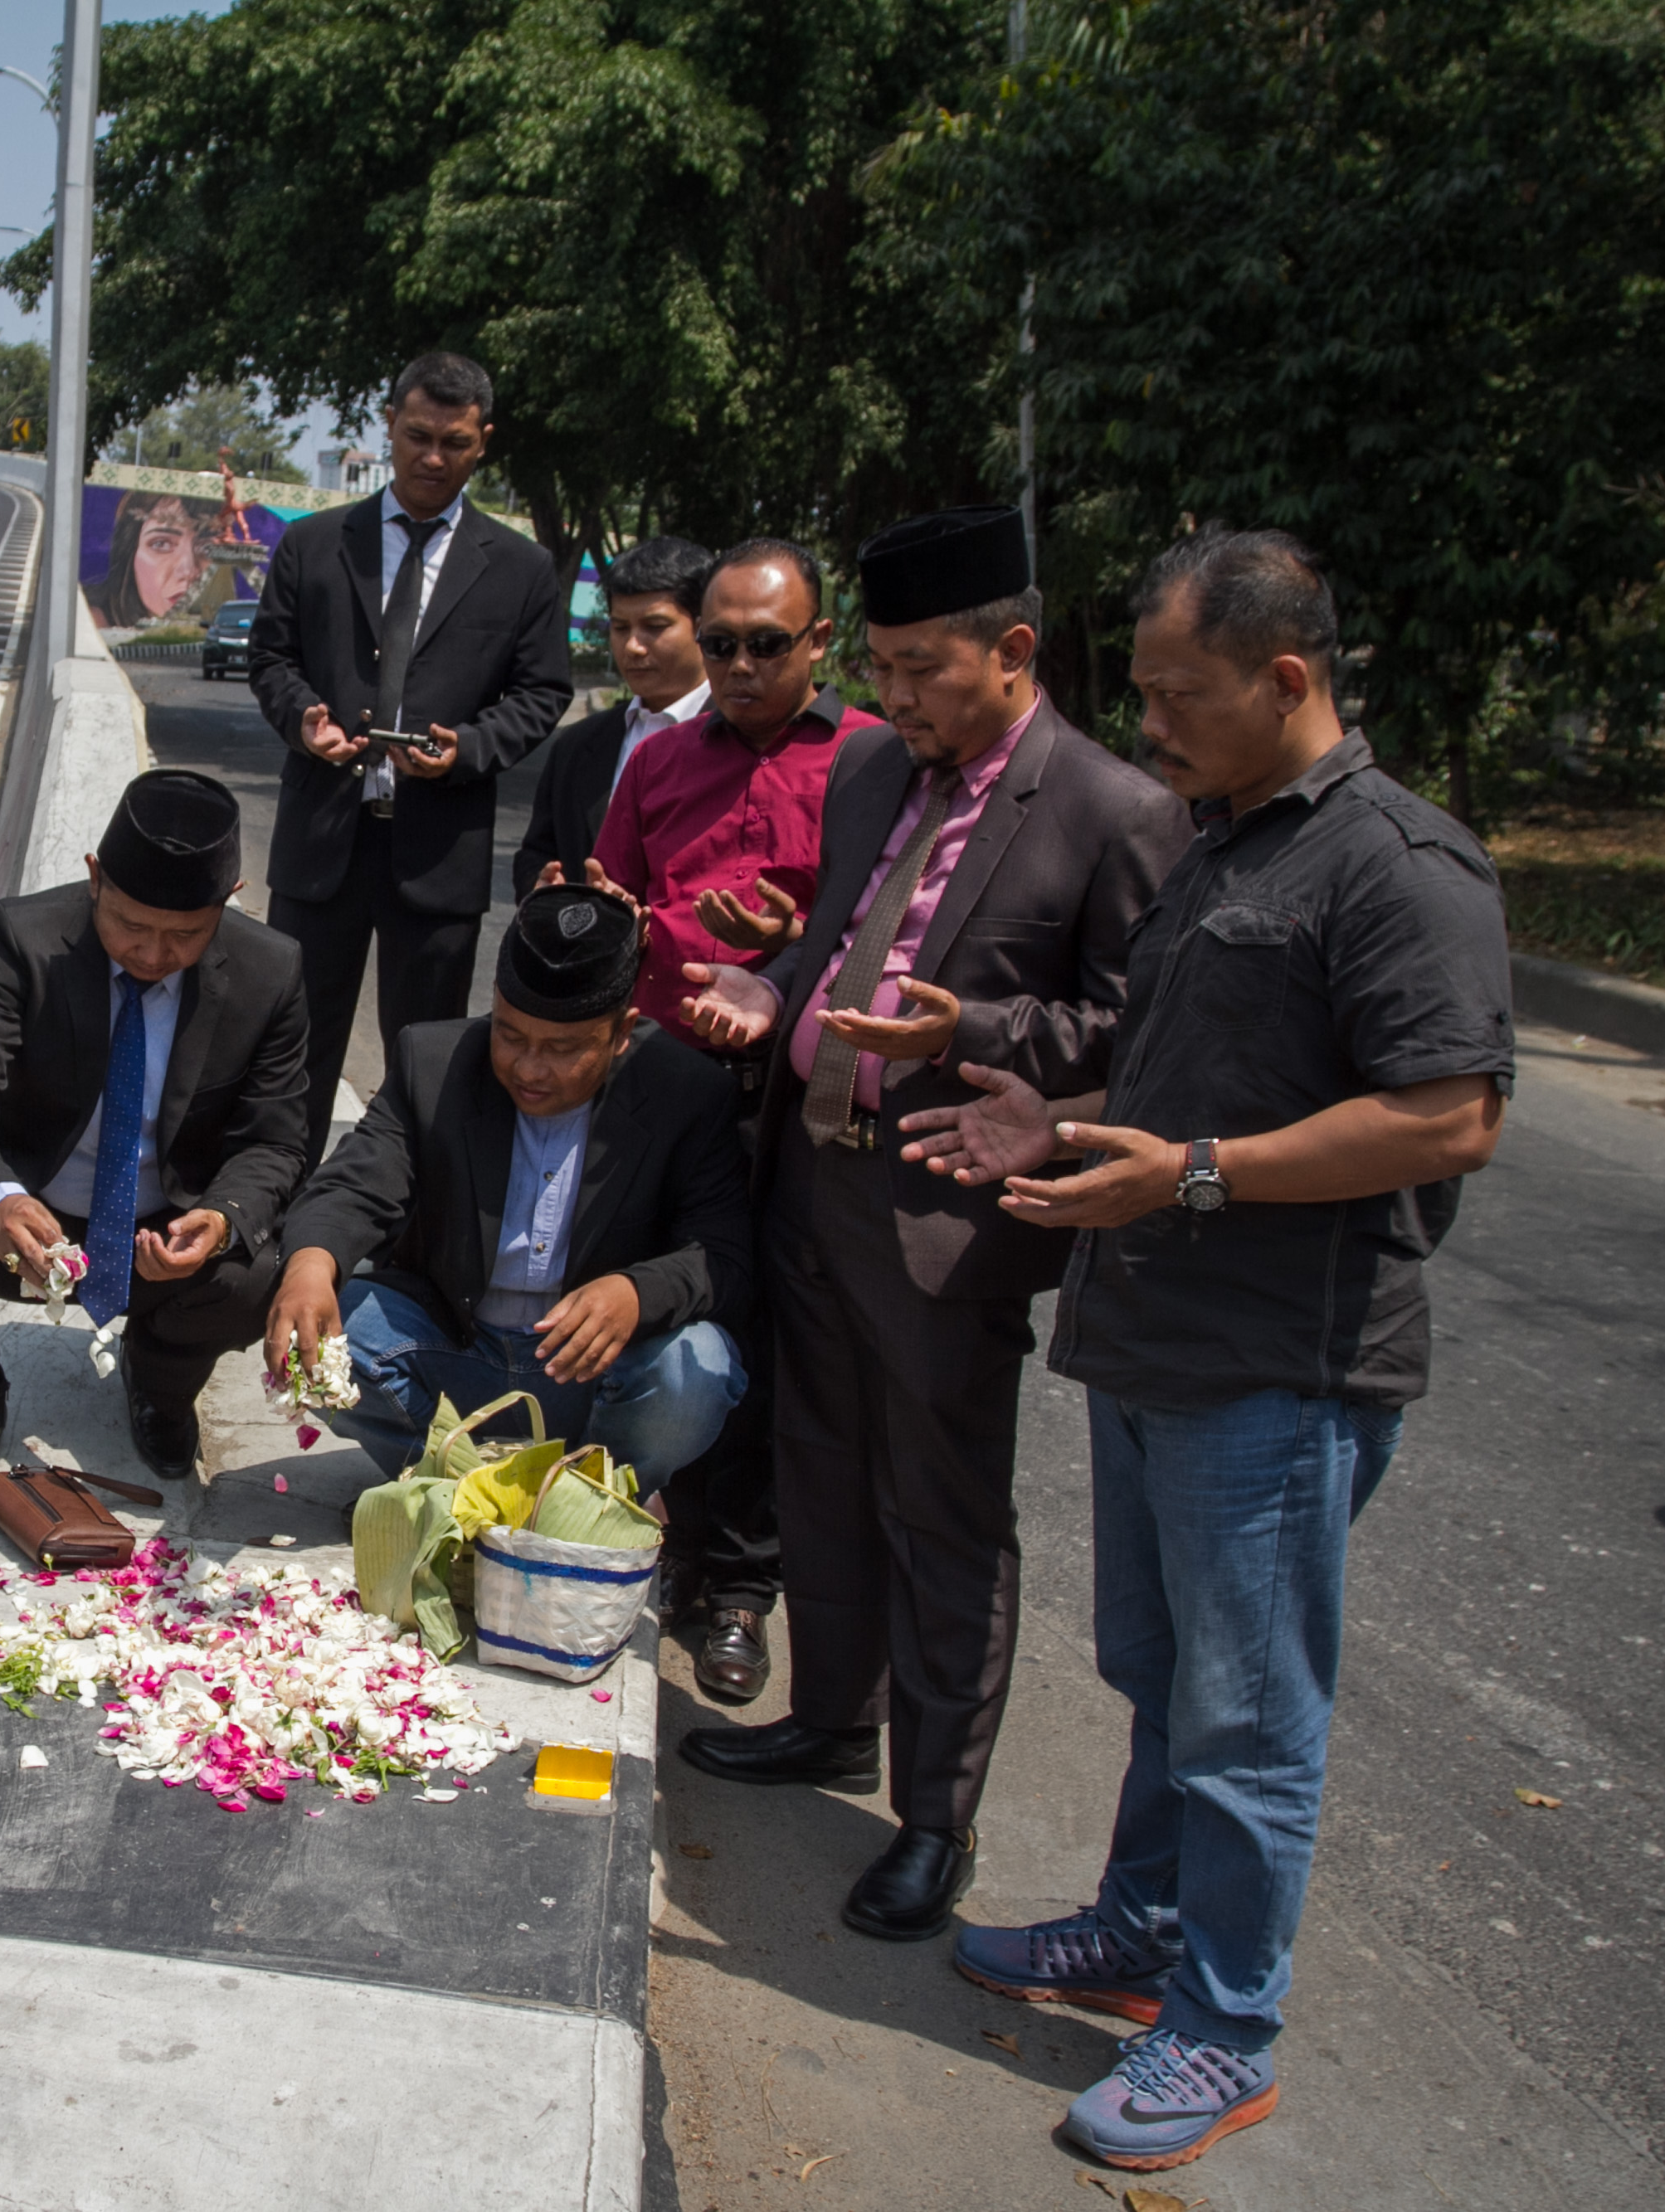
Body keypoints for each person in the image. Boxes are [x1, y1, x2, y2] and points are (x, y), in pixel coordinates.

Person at [906, 529, 1511, 2173]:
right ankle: (1140, 1924)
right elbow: (1208, 1080)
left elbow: (1446, 1111)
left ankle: (1223, 2028)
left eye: (1176, 694)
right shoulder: (1221, 847)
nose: (1149, 725)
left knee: (1249, 1715)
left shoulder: (1396, 863)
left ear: (1285, 678)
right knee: (1157, 1674)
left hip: (1274, 1362)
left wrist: (1188, 1172)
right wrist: (1066, 1116)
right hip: (1152, 1338)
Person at [671, 505, 1192, 1947]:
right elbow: (841, 933)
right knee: (821, 1475)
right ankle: (830, 1721)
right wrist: (777, 986)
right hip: (812, 1183)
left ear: (1012, 654)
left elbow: (1137, 1029)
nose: (889, 700)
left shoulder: (1110, 810)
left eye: (919, 671)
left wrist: (984, 1029)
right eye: (882, 671)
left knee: (943, 1512)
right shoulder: (870, 781)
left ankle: (934, 1817)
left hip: (945, 1214)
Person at [558, 535, 888, 1700]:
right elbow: (615, 896)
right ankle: (639, 1540)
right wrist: (600, 922)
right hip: (663, 1077)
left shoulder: (871, 759)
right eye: (722, 644)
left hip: (802, 1090)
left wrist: (787, 955)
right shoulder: (656, 763)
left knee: (777, 1334)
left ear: (820, 642)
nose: (740, 665)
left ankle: (740, 1588)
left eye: (766, 644)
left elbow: (891, 930)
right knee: (661, 1308)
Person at [0, 770, 312, 1512]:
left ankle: (160, 1380)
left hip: (162, 1231)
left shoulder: (270, 973)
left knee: (264, 1264)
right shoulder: (22, 939)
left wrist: (217, 1219)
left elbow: (275, 1141)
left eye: (185, 934)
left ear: (229, 898)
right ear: (94, 877)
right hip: (34, 1217)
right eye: (130, 925)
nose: (152, 953)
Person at [265, 884, 752, 1494]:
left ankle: (587, 1503)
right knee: (329, 1332)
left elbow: (724, 1253)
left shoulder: (686, 1092)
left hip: (593, 1372)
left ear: (622, 1031)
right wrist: (310, 1264)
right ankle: (453, 1488)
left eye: (562, 1049)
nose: (529, 1068)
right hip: (459, 1351)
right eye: (511, 1035)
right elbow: (356, 1180)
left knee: (696, 1369)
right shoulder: (435, 1060)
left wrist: (635, 1292)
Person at [246, 352, 575, 1159]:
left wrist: (470, 749)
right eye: (418, 435)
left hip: (439, 853)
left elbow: (543, 693)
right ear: (388, 426)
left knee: (424, 1056)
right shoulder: (316, 544)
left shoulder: (522, 569)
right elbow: (271, 658)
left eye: (454, 443)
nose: (433, 458)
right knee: (292, 1047)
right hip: (321, 841)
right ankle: (273, 1216)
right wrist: (303, 723)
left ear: (483, 443)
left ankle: (399, 1225)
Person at [509, 536, 713, 902]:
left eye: (655, 626)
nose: (633, 646)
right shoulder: (577, 746)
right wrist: (540, 887)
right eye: (620, 628)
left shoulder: (742, 739)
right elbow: (536, 853)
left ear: (704, 627)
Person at [88, 490, 212, 626]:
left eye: (208, 547)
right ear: (131, 553)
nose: (188, 571)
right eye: (161, 544)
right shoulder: (87, 624)